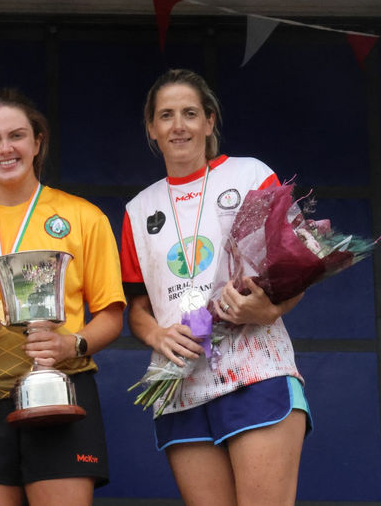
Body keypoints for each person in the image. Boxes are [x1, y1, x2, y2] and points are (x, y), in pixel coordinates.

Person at [120, 68, 312, 506]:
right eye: (165, 115)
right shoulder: (137, 210)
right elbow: (137, 307)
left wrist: (270, 310)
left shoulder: (250, 175)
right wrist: (156, 334)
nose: (178, 125)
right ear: (151, 128)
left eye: (190, 113)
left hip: (254, 372)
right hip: (180, 386)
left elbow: (299, 268)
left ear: (209, 121)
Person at [0, 88, 126, 506]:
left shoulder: (84, 217)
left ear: (37, 142)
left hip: (61, 392)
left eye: (17, 136)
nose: (6, 148)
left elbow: (111, 315)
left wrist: (69, 344)